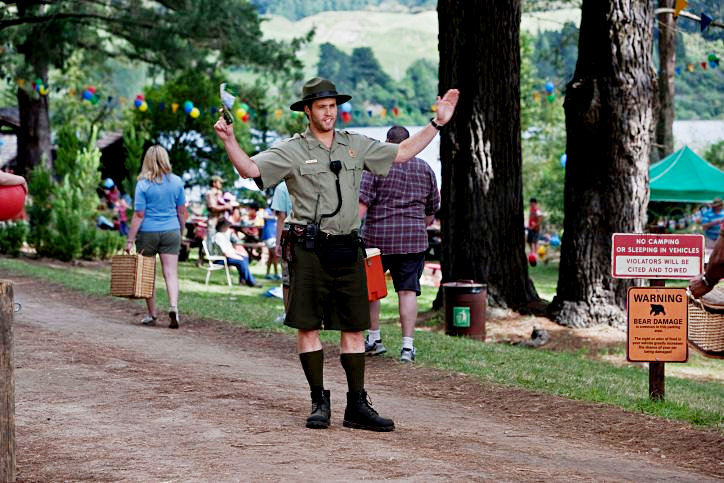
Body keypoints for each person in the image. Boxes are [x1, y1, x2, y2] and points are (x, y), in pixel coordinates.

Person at [214, 76, 459, 432]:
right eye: (322, 108)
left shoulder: (355, 145)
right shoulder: (292, 149)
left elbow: (403, 152)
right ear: (308, 111)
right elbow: (250, 170)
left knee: (355, 327)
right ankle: (319, 402)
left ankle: (357, 405)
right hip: (309, 248)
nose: (329, 114)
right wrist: (229, 140)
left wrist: (437, 123)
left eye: (332, 107)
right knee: (308, 326)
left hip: (347, 248)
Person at [358, 125, 440, 363]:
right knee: (407, 291)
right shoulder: (425, 169)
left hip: (376, 240)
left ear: (387, 141)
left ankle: (374, 339)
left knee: (372, 291)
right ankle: (407, 347)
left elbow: (362, 204)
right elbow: (431, 211)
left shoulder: (375, 165)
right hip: (413, 240)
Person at [125, 145, 188, 329]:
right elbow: (182, 211)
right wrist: (181, 231)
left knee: (147, 274)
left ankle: (152, 314)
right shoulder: (177, 182)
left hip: (148, 232)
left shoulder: (143, 184)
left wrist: (130, 240)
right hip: (171, 231)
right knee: (170, 272)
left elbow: (139, 214)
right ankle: (174, 307)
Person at [212, 219, 261, 287]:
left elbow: (230, 249)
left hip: (226, 257)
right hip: (220, 259)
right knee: (241, 261)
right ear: (223, 227)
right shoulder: (218, 236)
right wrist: (237, 257)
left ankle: (243, 279)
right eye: (227, 227)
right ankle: (251, 282)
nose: (228, 229)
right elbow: (225, 253)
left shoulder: (223, 235)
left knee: (245, 257)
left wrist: (240, 254)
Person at [271, 181, 293, 317]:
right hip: (313, 235)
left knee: (287, 279)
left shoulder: (282, 187)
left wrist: (278, 243)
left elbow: (282, 217)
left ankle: (288, 315)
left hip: (290, 236)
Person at [206, 175, 232, 246]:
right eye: (220, 182)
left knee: (221, 241)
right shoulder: (210, 193)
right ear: (214, 183)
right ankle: (209, 256)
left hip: (221, 221)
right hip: (213, 220)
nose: (221, 184)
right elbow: (212, 207)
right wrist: (226, 207)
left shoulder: (220, 193)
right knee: (211, 241)